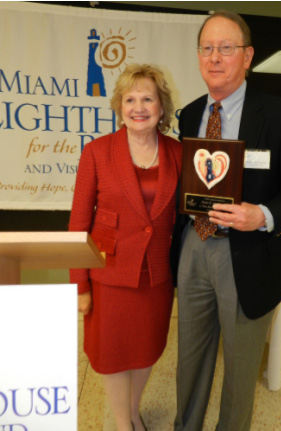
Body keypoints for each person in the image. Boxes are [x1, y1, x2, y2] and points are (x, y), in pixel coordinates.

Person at [170, 11, 281, 431]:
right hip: (194, 249)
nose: (214, 58)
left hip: (249, 253)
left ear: (248, 56)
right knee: (190, 360)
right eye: (207, 48)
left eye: (226, 48)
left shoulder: (280, 114)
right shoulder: (190, 114)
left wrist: (262, 215)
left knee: (239, 370)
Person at [69, 64, 182, 431]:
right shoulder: (98, 152)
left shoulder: (179, 154)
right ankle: (122, 424)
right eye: (130, 99)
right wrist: (80, 286)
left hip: (156, 277)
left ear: (161, 108)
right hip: (109, 276)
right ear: (119, 106)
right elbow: (78, 224)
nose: (139, 106)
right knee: (114, 357)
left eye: (147, 98)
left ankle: (133, 412)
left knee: (146, 350)